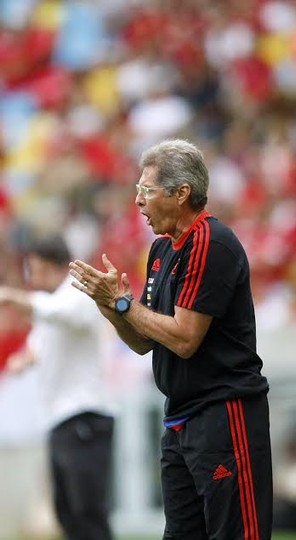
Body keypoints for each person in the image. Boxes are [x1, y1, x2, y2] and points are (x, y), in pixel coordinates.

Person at [69, 138, 273, 540]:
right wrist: (109, 305)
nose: (138, 202)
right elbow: (145, 341)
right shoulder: (162, 248)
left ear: (181, 193)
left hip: (223, 413)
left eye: (147, 190)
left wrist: (125, 305)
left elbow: (183, 339)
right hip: (180, 418)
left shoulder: (209, 242)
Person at [0, 234, 115, 540]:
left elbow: (60, 313)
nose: (32, 277)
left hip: (84, 417)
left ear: (52, 266)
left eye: (35, 268)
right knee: (68, 513)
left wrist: (13, 298)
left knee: (87, 513)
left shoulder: (78, 293)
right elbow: (39, 346)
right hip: (61, 421)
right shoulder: (49, 305)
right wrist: (23, 361)